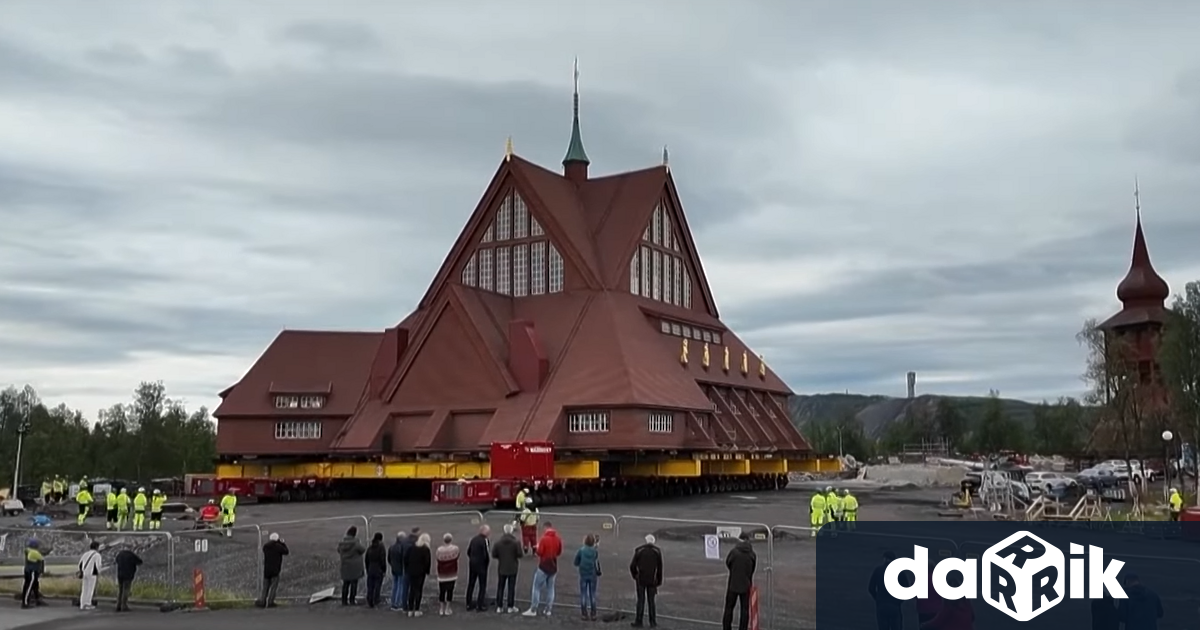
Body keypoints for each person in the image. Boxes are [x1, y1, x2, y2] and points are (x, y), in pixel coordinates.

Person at [524, 521, 562, 617]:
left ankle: (533, 609)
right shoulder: (558, 539)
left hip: (544, 566)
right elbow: (559, 552)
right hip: (553, 566)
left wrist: (537, 547)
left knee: (536, 587)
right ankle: (548, 609)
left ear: (545, 528)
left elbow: (539, 552)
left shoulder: (544, 539)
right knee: (550, 588)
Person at [722, 533, 757, 630]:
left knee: (729, 608)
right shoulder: (752, 554)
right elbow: (752, 569)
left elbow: (728, 563)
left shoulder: (734, 552)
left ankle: (726, 627)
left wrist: (734, 571)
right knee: (744, 610)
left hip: (733, 584)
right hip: (746, 584)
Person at [629, 533, 663, 628]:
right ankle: (652, 622)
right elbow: (660, 568)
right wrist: (659, 581)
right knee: (651, 601)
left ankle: (638, 621)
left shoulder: (639, 550)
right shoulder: (657, 552)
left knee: (640, 600)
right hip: (652, 580)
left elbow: (632, 566)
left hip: (641, 579)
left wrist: (635, 575)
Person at [492, 522, 523, 613]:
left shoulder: (498, 543)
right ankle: (510, 606)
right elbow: (520, 554)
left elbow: (494, 554)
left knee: (500, 587)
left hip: (502, 567)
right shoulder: (516, 543)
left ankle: (499, 606)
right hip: (513, 567)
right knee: (511, 587)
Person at [868, 552, 903, 630]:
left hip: (882, 604)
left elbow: (871, 588)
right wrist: (899, 600)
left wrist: (878, 598)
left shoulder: (878, 570)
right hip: (894, 604)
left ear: (885, 559)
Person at [255, 532, 289, 608]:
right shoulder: (278, 547)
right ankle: (270, 602)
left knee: (265, 587)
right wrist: (282, 543)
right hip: (275, 569)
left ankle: (262, 601)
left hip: (267, 569)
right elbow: (286, 551)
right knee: (273, 586)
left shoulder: (266, 547)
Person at [574, 534, 602, 621]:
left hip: (583, 574)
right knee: (592, 594)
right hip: (592, 574)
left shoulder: (581, 551)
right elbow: (596, 560)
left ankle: (584, 614)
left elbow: (576, 562)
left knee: (583, 594)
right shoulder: (594, 552)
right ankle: (593, 614)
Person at [404, 532, 433, 616]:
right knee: (418, 590)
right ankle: (417, 609)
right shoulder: (425, 550)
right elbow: (427, 562)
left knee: (411, 590)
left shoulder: (411, 548)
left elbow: (405, 559)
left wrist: (407, 569)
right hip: (420, 572)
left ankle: (410, 610)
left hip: (411, 571)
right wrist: (427, 571)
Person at [338, 525, 366, 606]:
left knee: (345, 584)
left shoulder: (342, 543)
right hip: (354, 567)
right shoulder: (356, 543)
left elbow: (338, 550)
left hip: (345, 566)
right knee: (354, 584)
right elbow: (362, 550)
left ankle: (344, 600)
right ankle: (352, 600)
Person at [465, 524, 491, 612]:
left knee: (471, 583)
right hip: (481, 566)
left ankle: (468, 603)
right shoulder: (485, 541)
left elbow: (468, 551)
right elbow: (486, 554)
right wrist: (486, 563)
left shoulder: (473, 539)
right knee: (482, 585)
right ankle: (480, 604)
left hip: (472, 564)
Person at [436, 532, 461, 616]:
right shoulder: (455, 549)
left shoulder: (439, 550)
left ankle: (441, 609)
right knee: (450, 591)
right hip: (452, 574)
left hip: (442, 574)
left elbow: (437, 558)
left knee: (442, 591)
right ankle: (447, 608)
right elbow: (457, 556)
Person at [114, 547, 142, 612]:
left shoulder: (120, 554)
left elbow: (116, 561)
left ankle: (118, 605)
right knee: (126, 590)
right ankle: (124, 605)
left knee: (120, 590)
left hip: (120, 574)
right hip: (128, 574)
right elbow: (139, 562)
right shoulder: (131, 555)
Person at [364, 532, 387, 608]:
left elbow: (366, 560)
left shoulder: (370, 548)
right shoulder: (381, 548)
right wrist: (384, 570)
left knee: (370, 585)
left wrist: (367, 569)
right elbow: (382, 559)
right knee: (377, 585)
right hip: (378, 569)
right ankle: (376, 599)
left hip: (371, 568)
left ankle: (369, 599)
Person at [387, 531, 409, 611]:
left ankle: (393, 602)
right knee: (400, 586)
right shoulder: (402, 548)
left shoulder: (392, 547)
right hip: (401, 569)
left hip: (394, 569)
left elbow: (389, 559)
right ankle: (398, 603)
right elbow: (404, 559)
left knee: (395, 586)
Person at [78, 540, 102, 610]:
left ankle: (82, 604)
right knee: (90, 589)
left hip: (84, 573)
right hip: (92, 573)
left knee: (84, 589)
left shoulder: (85, 554)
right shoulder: (97, 555)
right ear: (97, 547)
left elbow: (80, 564)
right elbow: (98, 565)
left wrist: (82, 571)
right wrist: (99, 572)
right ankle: (88, 603)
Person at [21, 539, 45, 609]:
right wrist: (42, 571)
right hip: (32, 572)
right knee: (29, 587)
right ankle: (25, 603)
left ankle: (37, 599)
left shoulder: (28, 550)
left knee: (35, 585)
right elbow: (41, 559)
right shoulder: (34, 553)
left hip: (28, 571)